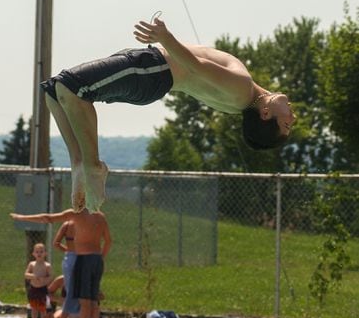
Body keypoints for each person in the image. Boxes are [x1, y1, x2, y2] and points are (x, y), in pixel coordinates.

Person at [40, 16, 295, 213]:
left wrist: (165, 36)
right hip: (151, 74)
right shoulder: (237, 104)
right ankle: (79, 164)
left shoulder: (242, 88)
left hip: (153, 69)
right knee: (54, 90)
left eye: (286, 123)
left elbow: (196, 66)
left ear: (264, 113)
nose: (292, 118)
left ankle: (92, 164)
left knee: (70, 87)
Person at [10, 208, 112, 318]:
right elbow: (108, 241)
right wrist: (100, 257)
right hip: (94, 258)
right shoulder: (100, 216)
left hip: (83, 258)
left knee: (83, 299)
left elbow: (48, 218)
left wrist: (22, 217)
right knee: (91, 299)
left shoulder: (77, 214)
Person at [24, 243, 53, 318]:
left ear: (45, 253)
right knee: (34, 308)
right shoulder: (32, 264)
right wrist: (33, 276)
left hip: (42, 289)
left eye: (41, 251)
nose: (39, 253)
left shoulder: (47, 265)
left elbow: (51, 276)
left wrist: (44, 280)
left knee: (42, 308)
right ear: (33, 253)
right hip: (33, 288)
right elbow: (26, 274)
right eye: (37, 252)